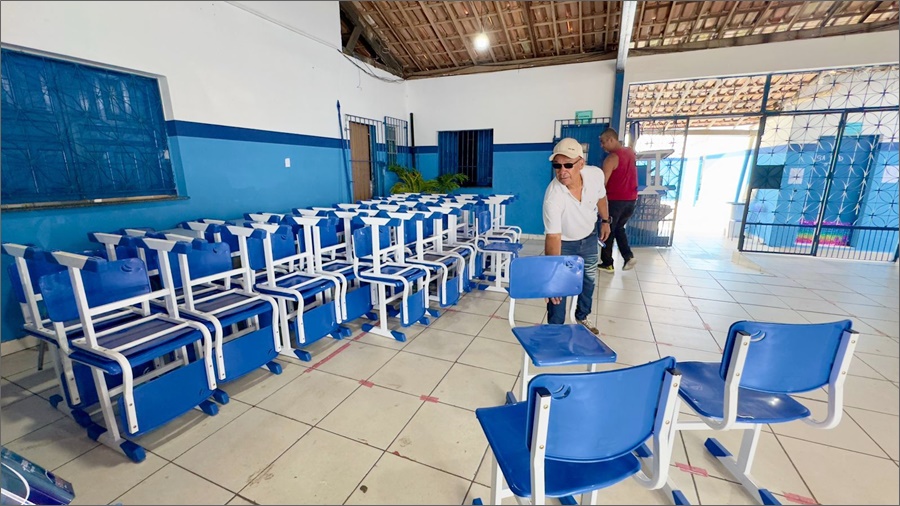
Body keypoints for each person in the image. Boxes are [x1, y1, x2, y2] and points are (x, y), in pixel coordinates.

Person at [542, 138, 611, 335]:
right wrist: (553, 276)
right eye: (557, 165)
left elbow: (601, 197)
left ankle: (582, 316)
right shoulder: (553, 196)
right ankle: (555, 330)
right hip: (564, 243)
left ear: (581, 164)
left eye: (568, 165)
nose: (562, 171)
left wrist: (605, 221)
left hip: (589, 237)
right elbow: (553, 237)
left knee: (588, 282)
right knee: (558, 290)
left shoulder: (595, 175)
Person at [598, 128, 639, 273]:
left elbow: (602, 184)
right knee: (619, 228)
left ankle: (607, 263)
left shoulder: (611, 159)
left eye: (603, 142)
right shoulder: (630, 152)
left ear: (611, 139)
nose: (602, 146)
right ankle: (628, 256)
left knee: (607, 230)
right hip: (631, 200)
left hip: (615, 201)